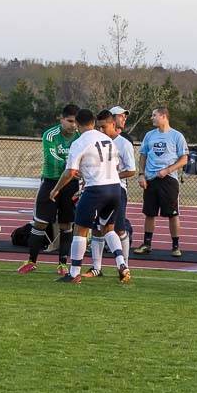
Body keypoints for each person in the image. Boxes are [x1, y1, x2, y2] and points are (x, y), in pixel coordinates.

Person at [49, 109, 130, 284]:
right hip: (115, 188)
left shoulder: (80, 142)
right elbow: (113, 165)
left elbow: (70, 171)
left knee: (80, 230)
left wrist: (56, 189)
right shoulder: (108, 139)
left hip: (96, 190)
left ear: (77, 125)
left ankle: (73, 273)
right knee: (108, 227)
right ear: (93, 123)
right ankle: (122, 264)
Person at [17, 104, 80, 275]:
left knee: (66, 223)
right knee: (41, 222)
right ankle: (32, 261)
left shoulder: (81, 136)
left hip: (71, 185)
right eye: (70, 121)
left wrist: (75, 172)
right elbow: (53, 159)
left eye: (76, 122)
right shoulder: (50, 135)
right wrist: (72, 168)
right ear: (62, 119)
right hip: (51, 182)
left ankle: (62, 263)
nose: (73, 125)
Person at [86, 110, 137, 277]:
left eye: (104, 127)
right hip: (99, 188)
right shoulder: (98, 141)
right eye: (98, 127)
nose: (101, 131)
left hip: (117, 189)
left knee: (119, 228)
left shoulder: (123, 144)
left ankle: (124, 266)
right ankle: (96, 267)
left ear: (113, 125)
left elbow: (131, 170)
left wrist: (112, 175)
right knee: (97, 228)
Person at [134, 107, 188, 257]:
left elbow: (184, 159)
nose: (151, 118)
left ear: (164, 116)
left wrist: (168, 170)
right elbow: (143, 155)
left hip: (168, 181)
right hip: (151, 179)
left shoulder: (177, 136)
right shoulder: (149, 135)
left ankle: (175, 246)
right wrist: (141, 174)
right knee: (149, 213)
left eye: (154, 115)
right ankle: (147, 244)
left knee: (172, 214)